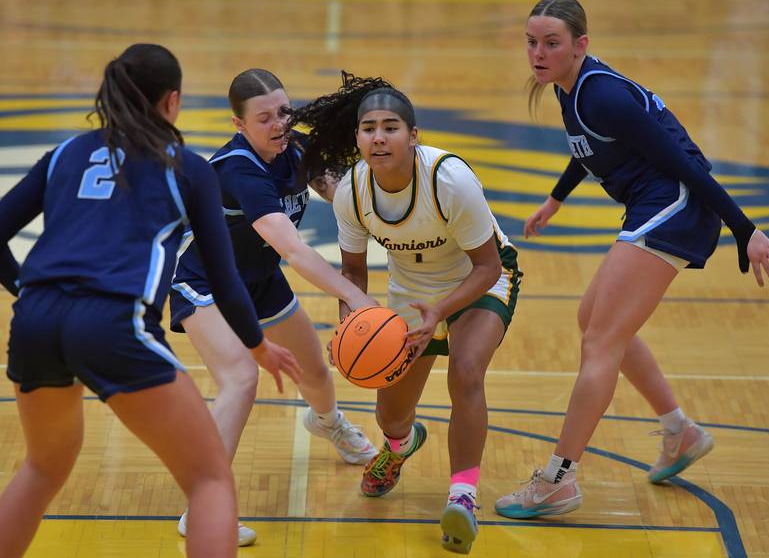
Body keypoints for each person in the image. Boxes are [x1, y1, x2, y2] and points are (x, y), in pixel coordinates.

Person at [494, 0, 769, 520]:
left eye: (551, 43)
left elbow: (685, 162)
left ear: (581, 45)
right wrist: (556, 198)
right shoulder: (569, 87)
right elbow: (588, 145)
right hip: (656, 202)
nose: (538, 53)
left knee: (600, 338)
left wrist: (745, 230)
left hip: (676, 204)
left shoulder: (603, 95)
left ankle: (559, 478)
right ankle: (679, 432)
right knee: (597, 322)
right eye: (531, 42)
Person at [0, 44, 301, 558]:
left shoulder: (66, 153)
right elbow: (224, 278)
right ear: (173, 101)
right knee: (209, 480)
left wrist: (27, 290)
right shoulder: (185, 166)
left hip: (34, 321)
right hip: (113, 323)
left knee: (42, 467)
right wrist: (256, 345)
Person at [291, 72, 523, 555]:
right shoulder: (354, 191)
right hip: (410, 292)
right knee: (390, 414)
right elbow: (353, 273)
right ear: (357, 139)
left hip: (477, 283)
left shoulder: (449, 179)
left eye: (391, 127)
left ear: (413, 136)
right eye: (369, 128)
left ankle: (463, 496)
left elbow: (487, 265)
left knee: (466, 372)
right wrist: (351, 320)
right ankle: (399, 447)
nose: (379, 136)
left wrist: (438, 311)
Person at [168, 69, 379, 545]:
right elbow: (296, 251)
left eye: (284, 111)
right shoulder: (238, 169)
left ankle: (327, 423)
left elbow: (342, 196)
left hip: (259, 281)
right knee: (241, 379)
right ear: (239, 124)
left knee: (316, 373)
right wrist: (354, 294)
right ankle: (202, 509)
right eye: (264, 118)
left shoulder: (295, 147)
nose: (279, 124)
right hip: (206, 286)